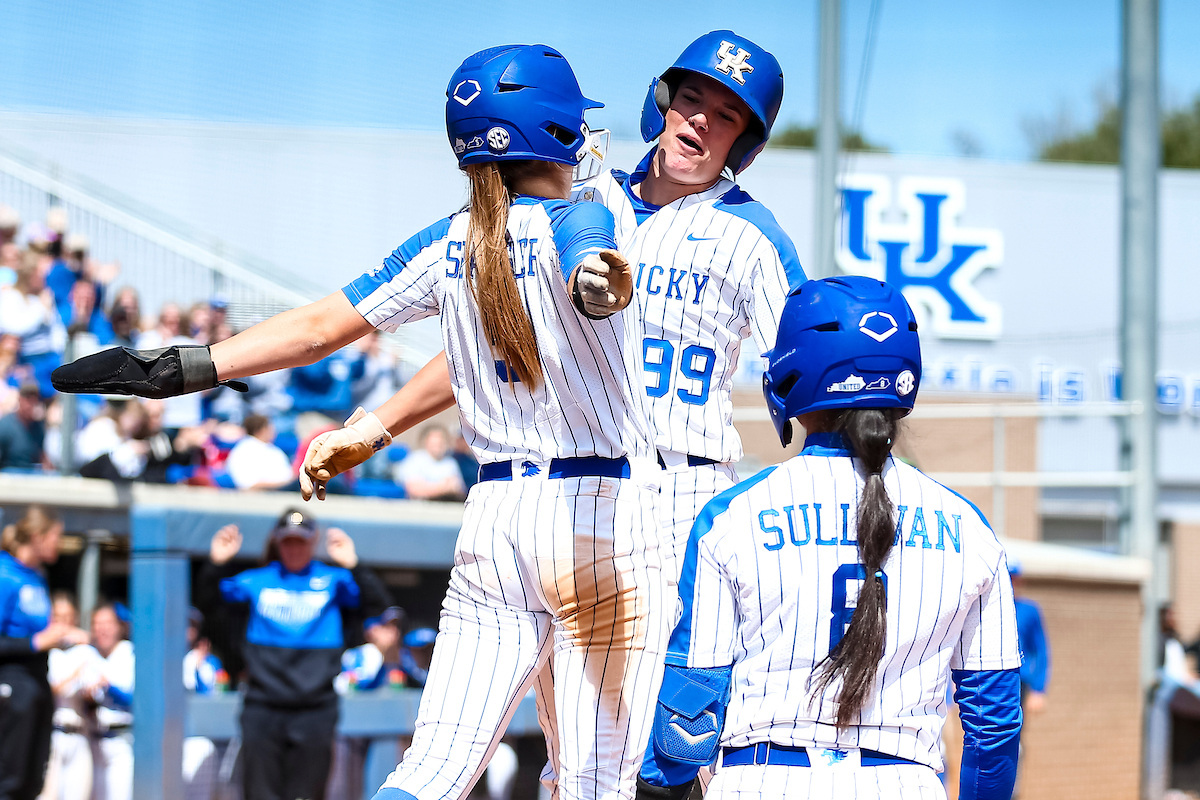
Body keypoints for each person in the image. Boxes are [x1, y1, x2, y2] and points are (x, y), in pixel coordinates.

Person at [53, 42, 668, 800]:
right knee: (595, 779)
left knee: (432, 769)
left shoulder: (450, 240)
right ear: (561, 129)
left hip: (497, 518)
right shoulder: (589, 216)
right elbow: (585, 241)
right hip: (597, 519)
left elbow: (320, 326)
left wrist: (195, 365)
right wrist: (591, 270)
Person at [636, 276, 1023, 800]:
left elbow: (692, 705)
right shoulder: (971, 529)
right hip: (903, 783)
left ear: (794, 374)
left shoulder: (732, 516)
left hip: (764, 779)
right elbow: (994, 723)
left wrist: (659, 789)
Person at [195, 510, 390, 800]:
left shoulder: (334, 580)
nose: (294, 548)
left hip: (316, 709)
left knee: (307, 795)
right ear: (277, 542)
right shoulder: (256, 581)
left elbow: (378, 607)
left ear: (313, 542)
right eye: (287, 541)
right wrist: (216, 563)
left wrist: (355, 565)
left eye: (301, 541)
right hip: (263, 707)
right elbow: (207, 603)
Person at [0, 506, 87, 800]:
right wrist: (37, 642)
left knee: (32, 781)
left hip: (38, 681)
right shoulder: (5, 573)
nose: (59, 545)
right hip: (12, 684)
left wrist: (63, 638)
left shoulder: (37, 577)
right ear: (36, 537)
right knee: (9, 780)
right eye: (55, 537)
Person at [85, 603, 135, 800]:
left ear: (120, 626)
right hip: (92, 742)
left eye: (107, 623)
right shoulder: (90, 654)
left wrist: (108, 687)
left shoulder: (130, 653)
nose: (101, 628)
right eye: (97, 623)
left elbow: (135, 702)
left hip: (121, 742)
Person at [1009, 563, 1050, 715]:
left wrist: (1038, 689)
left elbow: (1040, 650)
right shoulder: (984, 609)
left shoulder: (1029, 610)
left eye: (1014, 579)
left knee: (1014, 729)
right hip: (990, 678)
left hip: (1019, 680)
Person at [392, 424, 465, 501]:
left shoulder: (450, 463)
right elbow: (414, 489)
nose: (438, 445)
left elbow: (457, 489)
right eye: (435, 443)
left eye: (441, 442)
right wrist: (441, 488)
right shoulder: (415, 459)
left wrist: (429, 487)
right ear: (426, 442)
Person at [224, 414, 295, 490]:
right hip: (269, 491)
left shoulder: (272, 448)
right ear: (262, 430)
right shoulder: (244, 450)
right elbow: (247, 484)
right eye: (270, 428)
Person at [0, 382, 47, 471]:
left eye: (34, 400)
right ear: (20, 400)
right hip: (8, 477)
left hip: (31, 476)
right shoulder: (4, 426)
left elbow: (41, 458)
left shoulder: (38, 428)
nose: (30, 405)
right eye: (28, 400)